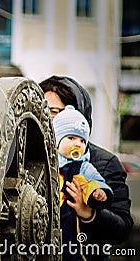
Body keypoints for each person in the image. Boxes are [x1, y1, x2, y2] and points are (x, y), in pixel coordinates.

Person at [40, 75, 133, 260]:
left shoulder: (104, 163)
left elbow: (122, 229)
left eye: (54, 111)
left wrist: (89, 213)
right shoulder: (26, 158)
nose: (47, 119)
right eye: (42, 111)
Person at [53, 105, 114, 260]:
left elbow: (95, 180)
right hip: (46, 218)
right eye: (71, 138)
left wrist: (98, 192)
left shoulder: (83, 166)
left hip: (70, 219)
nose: (77, 144)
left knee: (70, 249)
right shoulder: (48, 162)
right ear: (56, 139)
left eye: (82, 140)